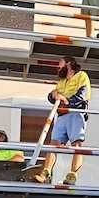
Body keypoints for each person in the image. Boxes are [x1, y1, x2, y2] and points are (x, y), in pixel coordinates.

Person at [32, 56, 91, 186]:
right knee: (54, 144)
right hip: (62, 115)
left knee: (77, 144)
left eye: (60, 63)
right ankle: (45, 173)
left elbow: (83, 95)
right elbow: (53, 96)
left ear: (69, 64)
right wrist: (53, 95)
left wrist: (65, 100)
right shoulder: (62, 81)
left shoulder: (81, 76)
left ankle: (72, 175)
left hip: (76, 113)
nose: (58, 66)